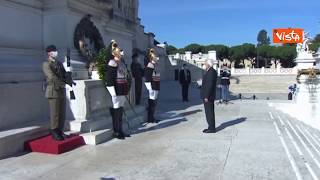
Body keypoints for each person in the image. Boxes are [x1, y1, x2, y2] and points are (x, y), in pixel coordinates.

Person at [42, 45, 69, 141]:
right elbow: (52, 77)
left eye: (56, 50)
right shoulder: (46, 64)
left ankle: (60, 130)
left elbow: (65, 74)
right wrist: (63, 83)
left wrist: (69, 79)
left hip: (61, 90)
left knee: (62, 112)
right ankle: (54, 131)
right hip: (53, 90)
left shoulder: (59, 63)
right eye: (54, 51)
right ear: (49, 53)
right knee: (55, 113)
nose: (56, 52)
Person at [105, 40, 130, 139]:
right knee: (116, 108)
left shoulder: (121, 63)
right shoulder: (112, 63)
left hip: (122, 88)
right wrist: (112, 92)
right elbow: (109, 79)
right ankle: (116, 131)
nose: (121, 53)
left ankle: (120, 130)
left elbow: (125, 76)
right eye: (119, 51)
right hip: (116, 88)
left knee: (121, 109)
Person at [201, 59, 218, 133]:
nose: (204, 64)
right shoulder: (210, 71)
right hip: (208, 95)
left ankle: (211, 128)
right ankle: (210, 126)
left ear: (208, 64)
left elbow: (210, 85)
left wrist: (206, 96)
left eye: (205, 63)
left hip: (208, 96)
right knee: (208, 112)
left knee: (209, 112)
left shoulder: (211, 72)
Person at [144, 48, 160, 123]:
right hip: (152, 86)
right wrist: (149, 88)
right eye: (155, 57)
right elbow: (147, 77)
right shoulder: (150, 65)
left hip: (156, 85)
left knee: (155, 102)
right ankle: (150, 118)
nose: (156, 58)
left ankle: (152, 117)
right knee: (152, 102)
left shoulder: (155, 65)